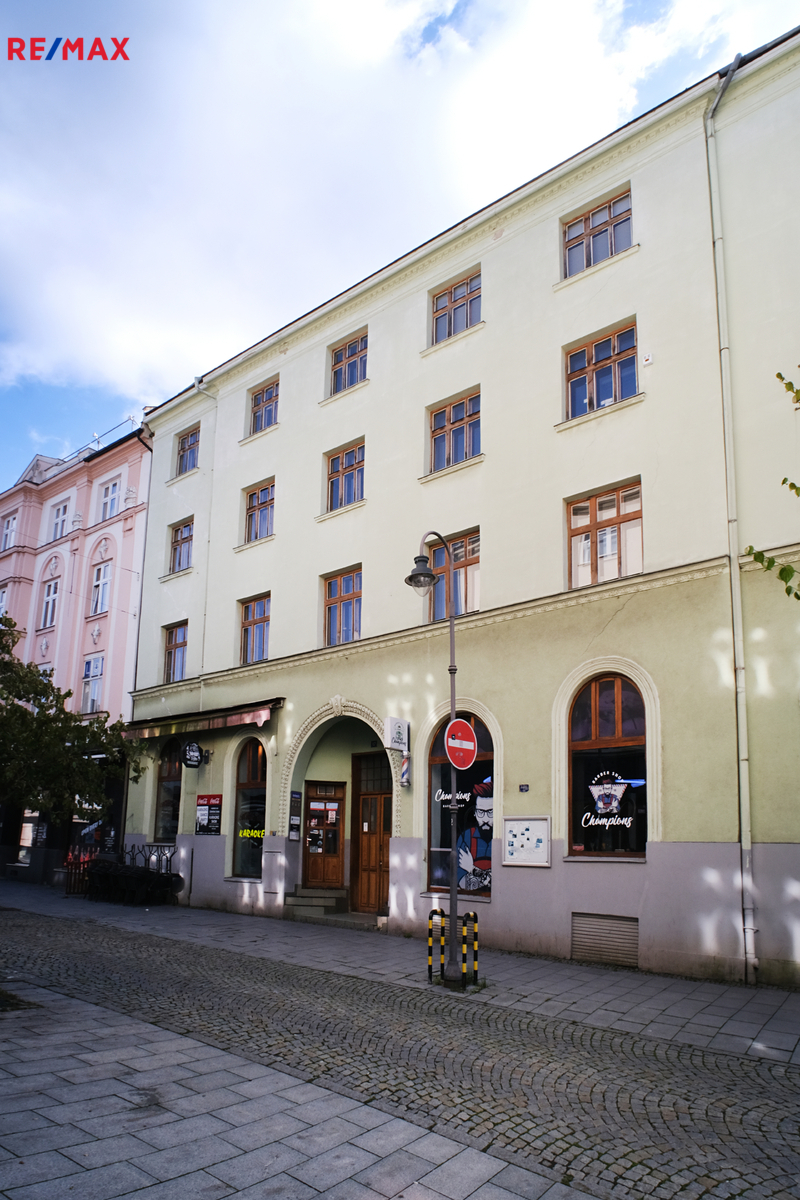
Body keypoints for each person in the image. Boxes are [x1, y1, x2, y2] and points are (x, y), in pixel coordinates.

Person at [457, 777, 492, 892]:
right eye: (481, 812)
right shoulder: (466, 837)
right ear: (475, 813)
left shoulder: (501, 838)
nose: (485, 819)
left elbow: (503, 881)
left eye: (490, 812)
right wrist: (489, 877)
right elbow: (463, 883)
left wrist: (472, 869)